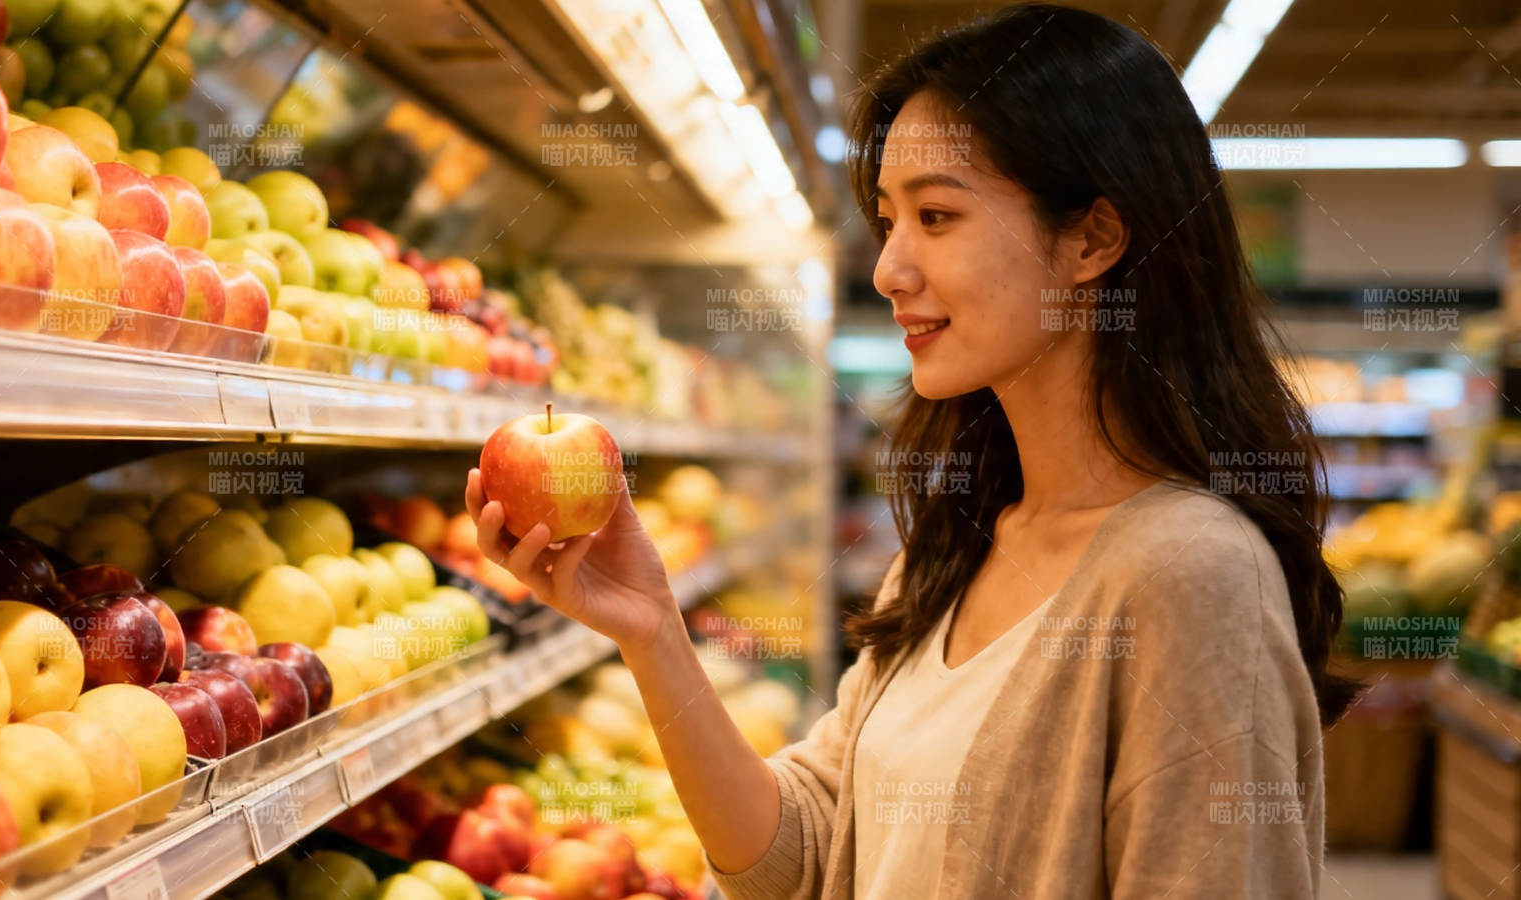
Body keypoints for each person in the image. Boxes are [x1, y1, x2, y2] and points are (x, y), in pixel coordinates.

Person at [465, 4, 1350, 897]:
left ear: (1093, 239)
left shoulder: (1191, 575)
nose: (888, 268)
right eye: (887, 219)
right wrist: (654, 632)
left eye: (935, 216)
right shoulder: (954, 549)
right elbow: (801, 856)